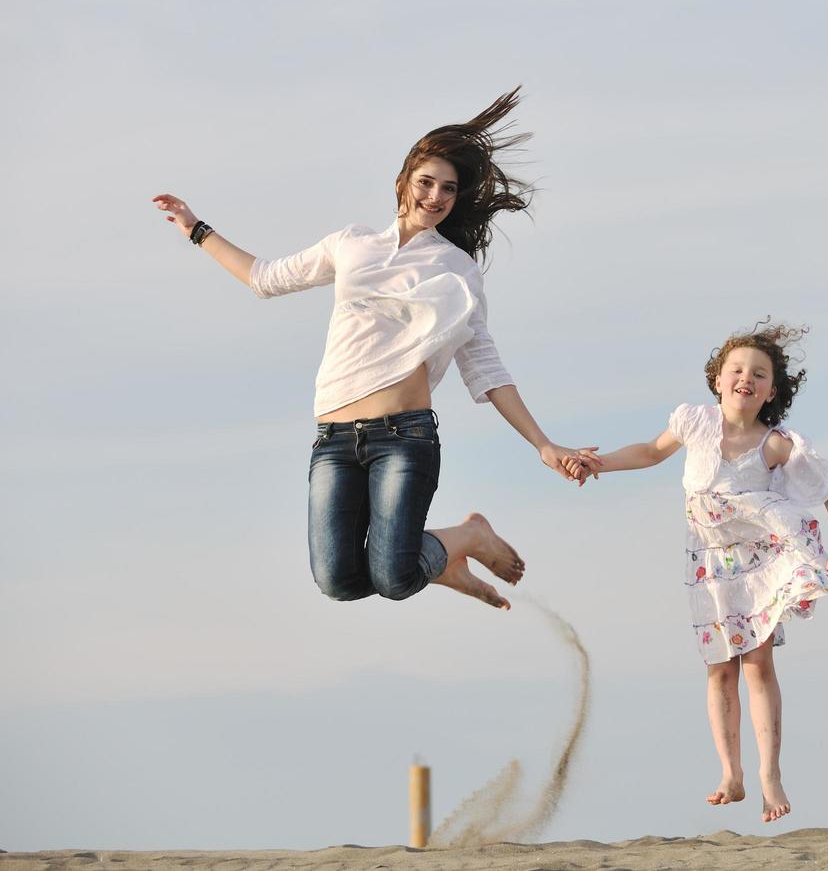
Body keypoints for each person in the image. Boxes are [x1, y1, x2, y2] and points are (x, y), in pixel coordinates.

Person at [152, 89, 597, 611]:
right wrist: (195, 229)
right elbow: (264, 278)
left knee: (393, 577)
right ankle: (447, 558)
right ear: (403, 182)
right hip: (334, 438)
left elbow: (485, 369)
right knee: (338, 581)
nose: (435, 196)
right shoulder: (352, 244)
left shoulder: (457, 270)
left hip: (404, 437)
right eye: (426, 182)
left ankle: (466, 539)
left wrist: (543, 445)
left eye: (447, 190)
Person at [585, 322, 828, 822]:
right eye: (736, 369)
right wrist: (598, 463)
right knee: (719, 670)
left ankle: (769, 773)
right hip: (708, 565)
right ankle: (731, 773)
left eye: (759, 373)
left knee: (758, 664)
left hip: (758, 564)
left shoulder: (777, 444)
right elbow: (651, 453)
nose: (746, 377)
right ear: (717, 379)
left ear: (771, 391)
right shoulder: (695, 423)